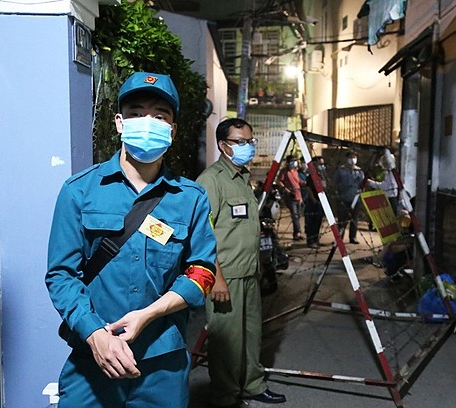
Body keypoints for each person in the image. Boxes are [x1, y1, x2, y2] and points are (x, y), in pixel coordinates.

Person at [46, 72, 217, 408]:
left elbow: (202, 272)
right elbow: (61, 275)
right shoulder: (79, 191)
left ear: (173, 129)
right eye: (137, 114)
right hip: (92, 360)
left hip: (162, 364)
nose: (147, 122)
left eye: (160, 116)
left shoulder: (191, 197)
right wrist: (95, 334)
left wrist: (148, 315)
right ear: (120, 123)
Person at [196, 118, 286, 408]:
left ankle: (252, 385)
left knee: (250, 335)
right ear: (223, 145)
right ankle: (225, 396)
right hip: (226, 276)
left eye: (250, 141)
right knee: (226, 342)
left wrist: (258, 266)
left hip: (248, 272)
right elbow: (202, 234)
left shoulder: (242, 178)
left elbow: (243, 227)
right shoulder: (211, 181)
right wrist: (216, 277)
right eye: (240, 142)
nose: (247, 146)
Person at [334, 151, 365, 244]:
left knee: (354, 219)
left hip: (356, 198)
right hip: (344, 197)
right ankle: (340, 238)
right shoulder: (341, 170)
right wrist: (337, 194)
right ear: (346, 158)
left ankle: (353, 237)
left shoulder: (359, 171)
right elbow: (335, 182)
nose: (352, 160)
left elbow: (363, 184)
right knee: (342, 219)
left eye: (354, 157)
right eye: (350, 157)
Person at [276, 154, 305, 241]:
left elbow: (298, 181)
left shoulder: (296, 171)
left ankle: (297, 232)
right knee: (295, 215)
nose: (294, 163)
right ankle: (297, 233)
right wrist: (286, 190)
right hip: (290, 196)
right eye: (292, 161)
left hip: (298, 195)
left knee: (298, 215)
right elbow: (279, 181)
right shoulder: (284, 171)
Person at [366, 150, 400, 216]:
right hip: (390, 197)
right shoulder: (389, 173)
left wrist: (371, 183)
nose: (383, 164)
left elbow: (385, 186)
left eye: (385, 162)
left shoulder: (391, 173)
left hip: (390, 198)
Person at [304, 156, 327, 248]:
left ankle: (316, 240)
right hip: (314, 201)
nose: (322, 165)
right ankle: (310, 241)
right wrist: (314, 200)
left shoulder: (321, 175)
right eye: (320, 163)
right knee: (312, 222)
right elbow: (309, 189)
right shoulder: (311, 176)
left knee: (318, 222)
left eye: (322, 164)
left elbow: (325, 186)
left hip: (321, 200)